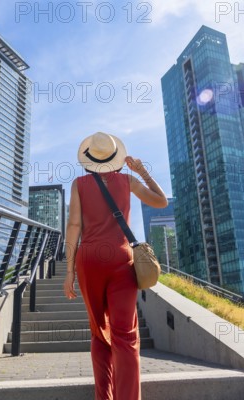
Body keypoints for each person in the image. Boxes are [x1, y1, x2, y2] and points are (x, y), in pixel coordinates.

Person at [63, 132, 168, 400]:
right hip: (121, 260)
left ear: (89, 160)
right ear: (117, 158)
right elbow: (161, 201)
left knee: (99, 336)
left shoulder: (79, 184)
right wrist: (142, 170)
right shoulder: (128, 180)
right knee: (126, 336)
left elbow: (74, 226)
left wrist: (69, 272)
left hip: (89, 261)